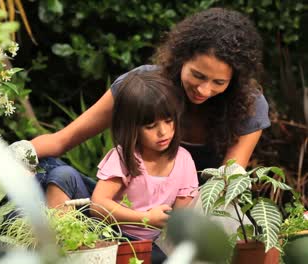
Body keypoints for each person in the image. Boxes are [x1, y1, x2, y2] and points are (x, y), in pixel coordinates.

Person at [30, 7, 270, 208]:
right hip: (116, 212)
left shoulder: (248, 105)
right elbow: (62, 141)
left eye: (219, 82)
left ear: (235, 80)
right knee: (48, 171)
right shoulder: (142, 87)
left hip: (186, 219)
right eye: (198, 75)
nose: (204, 90)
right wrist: (10, 156)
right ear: (181, 58)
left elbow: (228, 182)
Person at [90, 70, 198, 263]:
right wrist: (145, 218)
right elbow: (98, 205)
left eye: (168, 121)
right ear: (132, 128)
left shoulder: (184, 160)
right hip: (117, 236)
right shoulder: (125, 156)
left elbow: (182, 217)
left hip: (157, 243)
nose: (163, 132)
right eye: (150, 126)